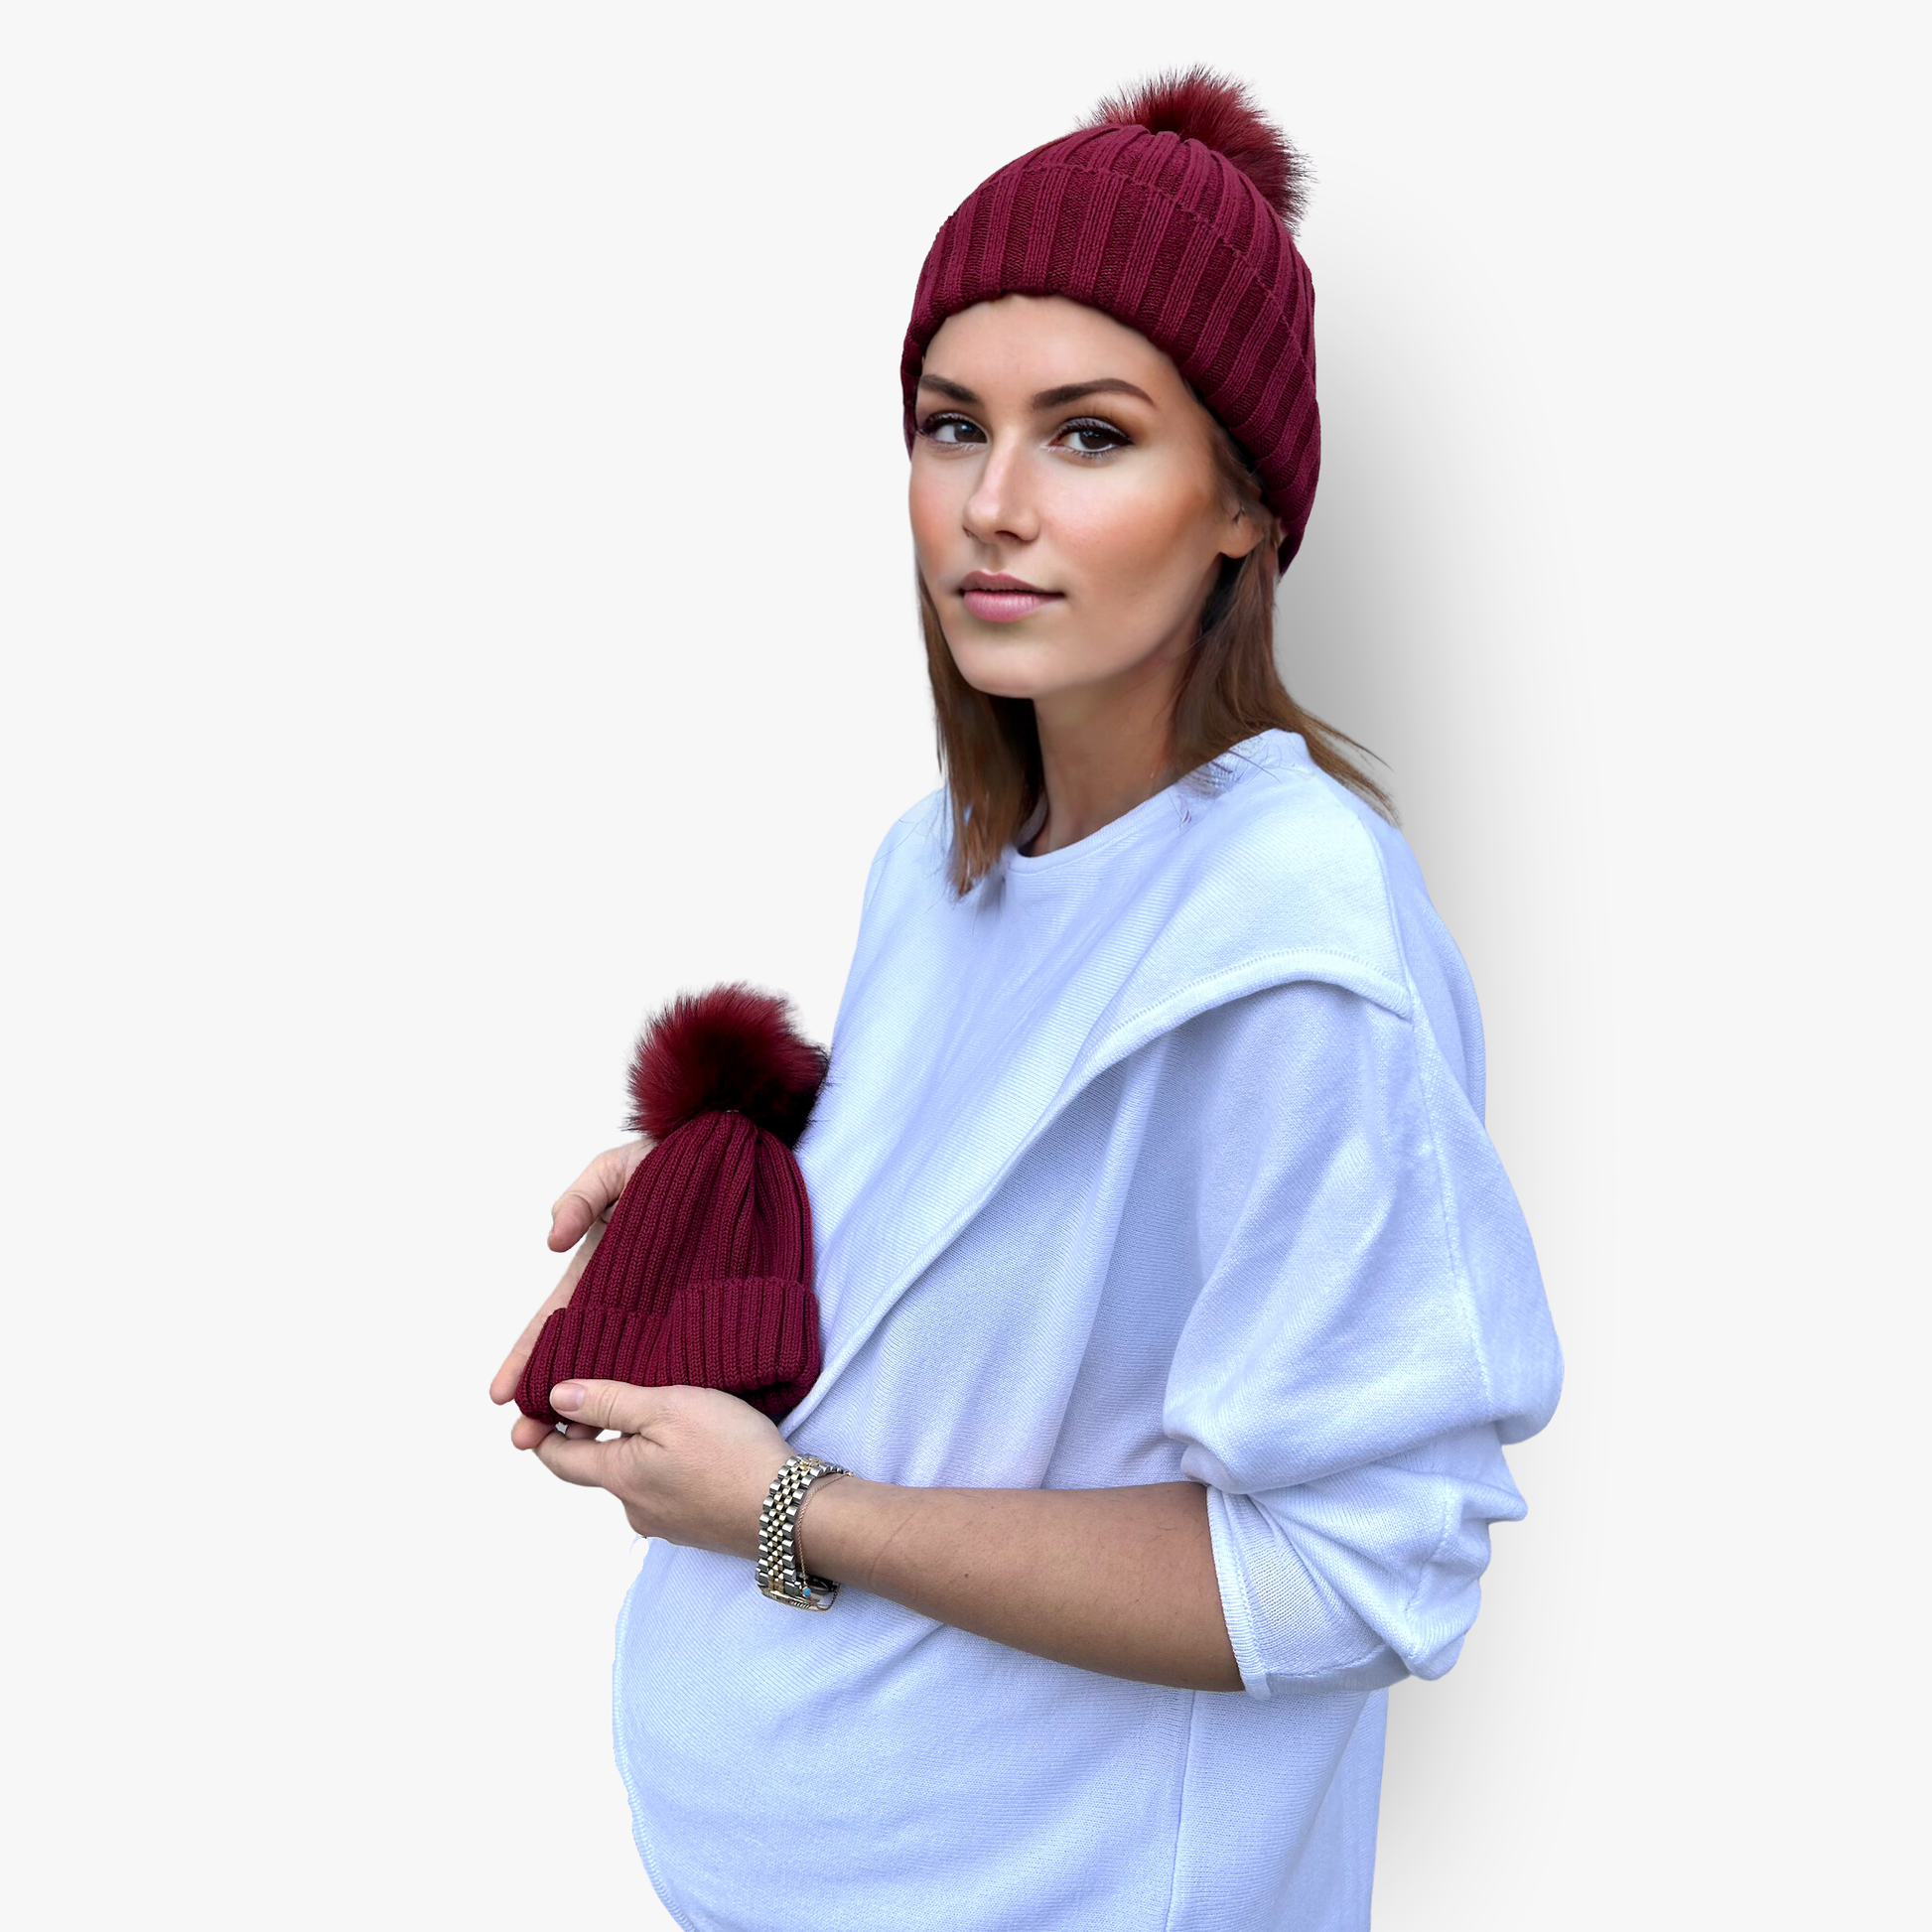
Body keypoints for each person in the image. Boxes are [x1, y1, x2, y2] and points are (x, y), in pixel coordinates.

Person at [490, 67, 1562, 1931]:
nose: (992, 507)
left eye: (1087, 435)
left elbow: (1352, 1570)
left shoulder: (1296, 948)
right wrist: (732, 1185)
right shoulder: (942, 862)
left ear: (1242, 504)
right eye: (947, 425)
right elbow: (1015, 1231)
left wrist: (784, 1509)